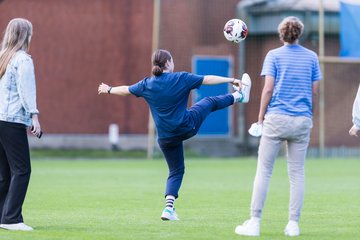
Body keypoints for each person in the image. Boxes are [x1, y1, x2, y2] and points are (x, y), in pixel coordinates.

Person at [98, 49, 251, 221]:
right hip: (186, 127)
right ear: (169, 62)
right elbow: (207, 79)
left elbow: (126, 90)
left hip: (165, 138)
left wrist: (109, 89)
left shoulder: (147, 84)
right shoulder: (181, 78)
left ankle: (168, 209)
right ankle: (240, 95)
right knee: (208, 102)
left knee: (175, 171)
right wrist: (232, 80)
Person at [235, 16, 321, 237]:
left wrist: (260, 118)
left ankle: (254, 222)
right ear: (299, 33)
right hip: (302, 120)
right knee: (297, 174)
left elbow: (268, 90)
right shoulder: (312, 57)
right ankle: (293, 224)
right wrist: (309, 115)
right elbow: (314, 92)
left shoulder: (273, 55)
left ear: (281, 34)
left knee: (264, 171)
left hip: (277, 118)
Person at [0, 18, 41, 231]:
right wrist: (35, 117)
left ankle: (3, 216)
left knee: (4, 173)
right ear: (26, 35)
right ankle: (11, 219)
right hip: (12, 120)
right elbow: (27, 91)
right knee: (22, 170)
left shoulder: (2, 57)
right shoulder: (22, 60)